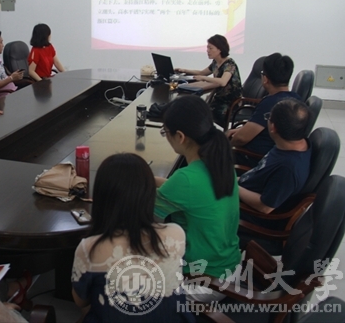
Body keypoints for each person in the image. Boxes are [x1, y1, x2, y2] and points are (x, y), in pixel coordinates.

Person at [72, 153, 190, 322]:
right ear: (149, 194)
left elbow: (81, 301)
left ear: (102, 197)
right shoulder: (175, 233)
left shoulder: (90, 247)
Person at [154, 95, 241, 302]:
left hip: (202, 281)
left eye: (165, 132)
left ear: (180, 136)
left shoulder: (185, 179)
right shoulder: (221, 162)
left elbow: (145, 219)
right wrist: (148, 179)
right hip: (229, 268)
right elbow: (189, 191)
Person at [238, 99, 311, 230]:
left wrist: (231, 186)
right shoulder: (292, 143)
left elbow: (265, 207)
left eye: (268, 118)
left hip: (250, 215)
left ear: (273, 128)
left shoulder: (288, 169)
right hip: (244, 186)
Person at [226, 53, 301, 167]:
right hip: (274, 155)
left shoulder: (270, 103)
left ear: (265, 79)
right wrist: (240, 130)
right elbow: (260, 128)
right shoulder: (296, 99)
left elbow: (241, 139)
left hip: (252, 158)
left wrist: (227, 145)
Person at [176, 34, 242, 127]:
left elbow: (223, 82)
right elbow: (202, 72)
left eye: (210, 48)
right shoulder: (215, 62)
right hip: (218, 99)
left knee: (200, 112)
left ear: (220, 49)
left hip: (230, 103)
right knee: (196, 108)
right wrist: (183, 70)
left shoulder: (230, 64)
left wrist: (203, 78)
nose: (207, 50)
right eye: (207, 48)